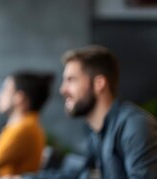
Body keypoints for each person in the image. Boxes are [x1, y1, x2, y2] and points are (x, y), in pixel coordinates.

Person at [23, 45, 157, 179]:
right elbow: (76, 175)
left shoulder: (134, 126)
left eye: (71, 80)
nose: (63, 90)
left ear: (99, 83)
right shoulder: (96, 133)